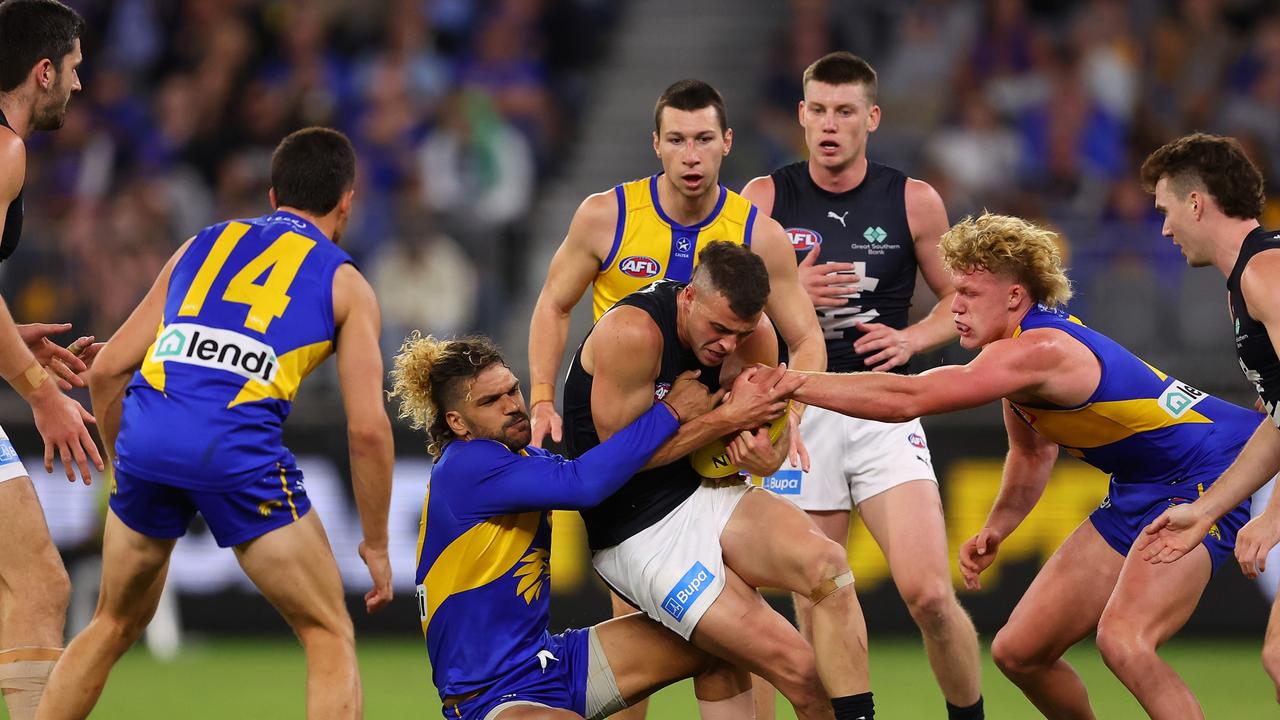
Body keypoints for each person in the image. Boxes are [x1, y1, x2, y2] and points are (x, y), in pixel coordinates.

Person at [786, 212, 1261, 720]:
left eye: (969, 293)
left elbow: (910, 395)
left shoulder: (1040, 348)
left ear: (1014, 297)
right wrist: (998, 528)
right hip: (1144, 486)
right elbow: (1034, 453)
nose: (956, 306)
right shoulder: (1013, 358)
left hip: (1221, 468)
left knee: (1126, 642)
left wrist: (791, 382)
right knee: (1020, 652)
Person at [37, 128, 394, 720]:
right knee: (327, 631)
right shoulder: (347, 283)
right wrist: (377, 544)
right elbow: (368, 431)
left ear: (274, 196)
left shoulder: (202, 243)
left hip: (148, 440)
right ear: (347, 201)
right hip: (235, 449)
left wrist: (127, 465)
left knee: (112, 623)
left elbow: (107, 373)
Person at [526, 78, 825, 720]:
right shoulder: (605, 216)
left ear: (727, 144)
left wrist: (786, 421)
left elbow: (806, 341)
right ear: (656, 145)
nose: (691, 155)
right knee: (643, 659)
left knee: (741, 638)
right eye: (677, 140)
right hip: (633, 443)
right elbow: (553, 303)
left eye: (703, 140)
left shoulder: (756, 232)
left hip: (716, 444)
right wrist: (545, 397)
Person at [740, 51, 982, 720]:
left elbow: (960, 305)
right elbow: (727, 311)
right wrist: (785, 294)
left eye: (845, 111)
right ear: (801, 115)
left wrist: (911, 340)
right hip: (801, 413)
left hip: (884, 410)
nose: (829, 124)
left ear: (871, 119)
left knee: (931, 595)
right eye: (817, 109)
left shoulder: (913, 200)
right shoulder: (763, 198)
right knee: (819, 594)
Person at [391, 332, 794, 720]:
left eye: (512, 390)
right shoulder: (465, 465)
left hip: (551, 662)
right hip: (489, 696)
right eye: (491, 401)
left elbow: (604, 473)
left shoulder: (521, 460)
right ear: (457, 423)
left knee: (719, 643)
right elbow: (584, 484)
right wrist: (669, 412)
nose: (512, 405)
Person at [565, 241, 873, 720]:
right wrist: (717, 416)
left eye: (741, 331)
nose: (728, 345)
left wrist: (764, 458)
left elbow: (750, 448)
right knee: (798, 670)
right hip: (636, 529)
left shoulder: (756, 337)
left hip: (705, 492)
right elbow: (613, 465)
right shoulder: (633, 332)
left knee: (828, 566)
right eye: (719, 328)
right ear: (689, 297)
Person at [1132, 133, 1280, 700]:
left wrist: (1272, 518)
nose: (1165, 229)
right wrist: (1207, 511)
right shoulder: (1247, 277)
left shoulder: (1264, 273)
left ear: (1197, 204)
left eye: (1166, 211)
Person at [0, 3, 106, 718]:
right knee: (41, 585)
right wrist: (40, 393)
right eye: (71, 67)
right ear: (43, 71)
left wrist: (11, 345)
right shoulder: (5, 149)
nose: (78, 82)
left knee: (28, 585)